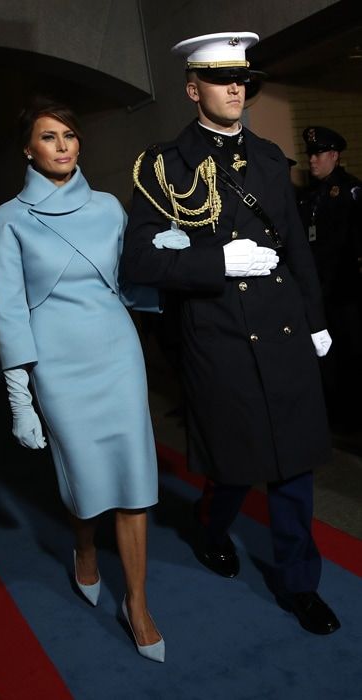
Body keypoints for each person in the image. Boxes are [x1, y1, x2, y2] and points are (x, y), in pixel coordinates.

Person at [121, 32, 340, 635]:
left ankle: (301, 583)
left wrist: (317, 322)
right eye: (221, 79)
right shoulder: (167, 164)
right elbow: (137, 260)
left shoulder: (270, 158)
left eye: (242, 78)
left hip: (283, 327)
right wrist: (215, 264)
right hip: (217, 335)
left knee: (294, 467)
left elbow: (297, 248)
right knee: (236, 464)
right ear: (194, 90)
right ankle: (211, 524)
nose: (236, 87)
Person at [0, 99, 164, 662]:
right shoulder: (9, 218)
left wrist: (163, 263)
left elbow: (128, 291)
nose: (63, 145)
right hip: (58, 365)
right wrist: (21, 401)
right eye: (48, 136)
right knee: (85, 478)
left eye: (69, 135)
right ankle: (84, 547)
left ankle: (136, 603)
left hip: (117, 354)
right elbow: (10, 313)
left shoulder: (111, 208)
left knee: (134, 478)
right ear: (28, 148)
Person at [297, 126, 362, 430]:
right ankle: (336, 414)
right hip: (320, 294)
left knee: (352, 352)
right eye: (310, 153)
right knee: (328, 358)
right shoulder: (311, 196)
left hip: (345, 292)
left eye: (318, 154)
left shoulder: (350, 192)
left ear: (334, 156)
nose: (312, 160)